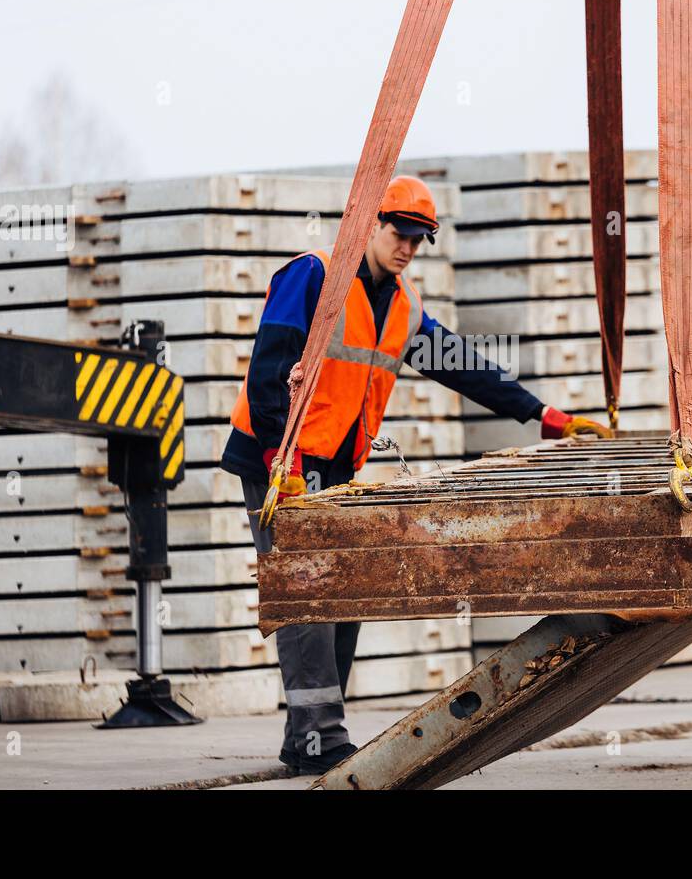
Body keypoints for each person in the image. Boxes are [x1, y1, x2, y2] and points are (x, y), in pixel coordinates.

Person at [219, 174, 610, 775]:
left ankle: (309, 742)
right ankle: (321, 736)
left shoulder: (403, 309)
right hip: (281, 458)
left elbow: (463, 368)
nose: (407, 247)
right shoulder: (315, 275)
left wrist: (543, 416)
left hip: (336, 468)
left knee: (342, 595)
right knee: (307, 597)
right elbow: (271, 367)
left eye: (419, 238)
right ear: (370, 224)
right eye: (399, 233)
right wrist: (282, 461)